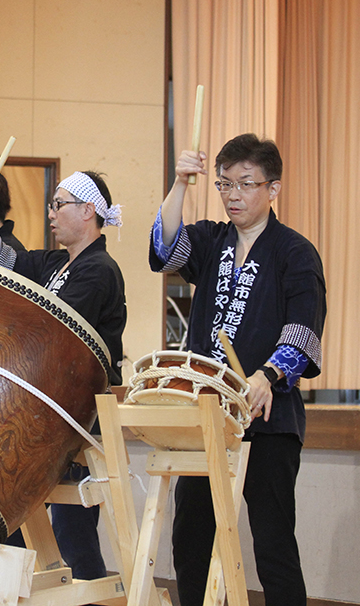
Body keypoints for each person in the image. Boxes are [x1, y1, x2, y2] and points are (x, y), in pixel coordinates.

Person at [151, 134, 326, 606]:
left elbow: (304, 329)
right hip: (207, 415)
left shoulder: (295, 252)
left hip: (268, 421)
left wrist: (267, 375)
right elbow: (165, 250)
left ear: (273, 189)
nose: (233, 195)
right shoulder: (210, 239)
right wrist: (180, 184)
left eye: (246, 184)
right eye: (225, 184)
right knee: (191, 541)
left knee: (272, 545)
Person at [0, 171, 126, 580]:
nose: (51, 213)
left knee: (74, 540)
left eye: (59, 204)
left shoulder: (100, 270)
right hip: (44, 414)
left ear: (88, 211)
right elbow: (4, 265)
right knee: (17, 526)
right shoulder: (56, 263)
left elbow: (53, 334)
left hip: (78, 417)